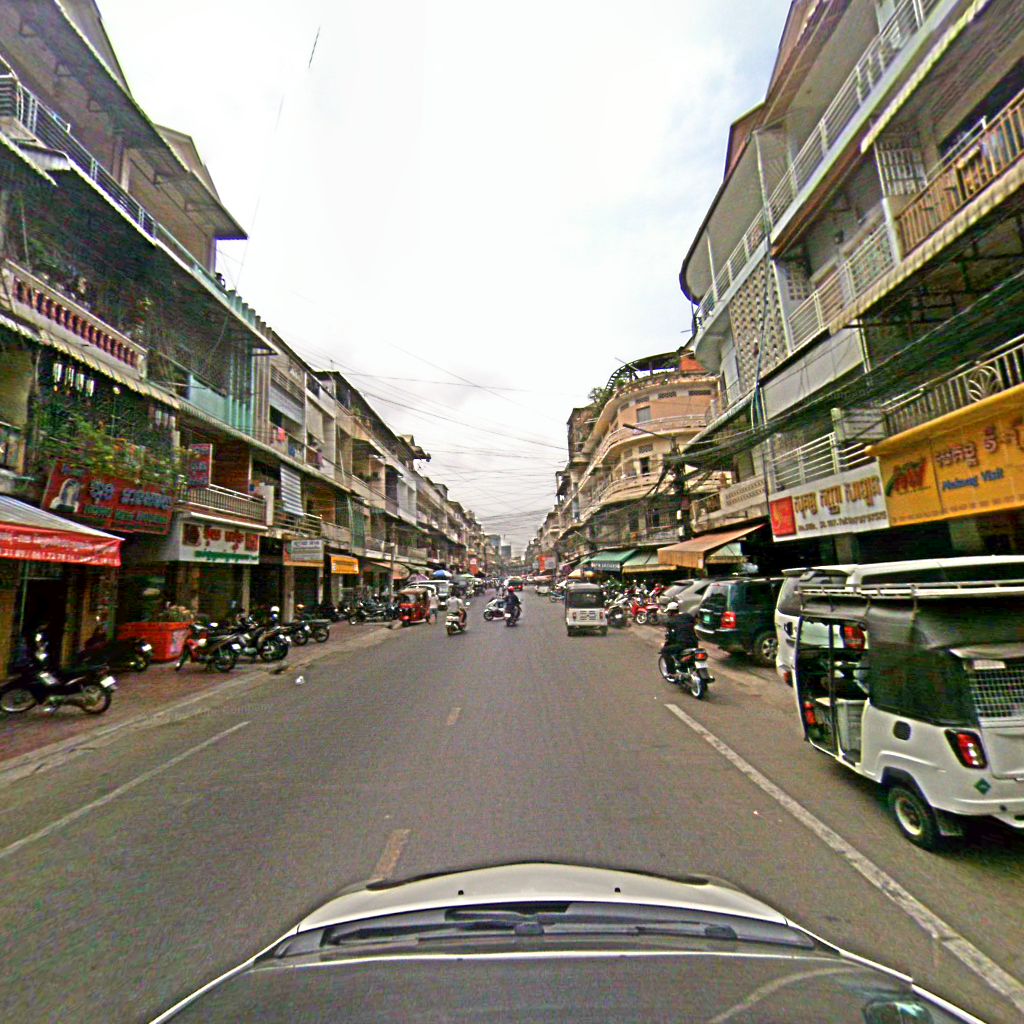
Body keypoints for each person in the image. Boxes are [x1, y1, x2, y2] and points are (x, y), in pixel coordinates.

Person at [662, 601, 698, 675]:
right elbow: (695, 622)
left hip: (683, 644)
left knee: (665, 650)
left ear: (671, 612)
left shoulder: (670, 622)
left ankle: (672, 673)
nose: (668, 614)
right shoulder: (687, 616)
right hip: (694, 643)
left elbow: (670, 637)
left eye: (668, 612)